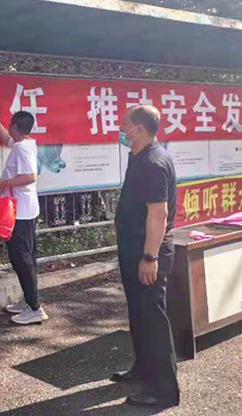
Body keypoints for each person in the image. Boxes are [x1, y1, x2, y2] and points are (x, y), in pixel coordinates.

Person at [113, 105, 180, 408]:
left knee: (153, 319)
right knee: (139, 314)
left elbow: (158, 214)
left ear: (138, 129)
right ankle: (143, 369)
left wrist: (149, 257)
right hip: (134, 250)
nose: (120, 128)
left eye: (124, 123)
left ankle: (164, 391)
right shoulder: (140, 156)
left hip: (148, 252)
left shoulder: (153, 162)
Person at [0, 107, 48, 325]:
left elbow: (30, 176)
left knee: (22, 259)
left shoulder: (22, 148)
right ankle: (28, 300)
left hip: (20, 212)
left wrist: (2, 183)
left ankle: (34, 308)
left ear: (15, 126)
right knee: (26, 258)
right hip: (25, 209)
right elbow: (6, 138)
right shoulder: (26, 143)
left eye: (9, 126)